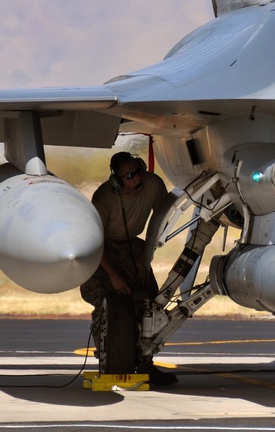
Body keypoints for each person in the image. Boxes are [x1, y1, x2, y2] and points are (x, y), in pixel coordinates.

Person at [79, 151, 177, 385]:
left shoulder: (152, 184)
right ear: (117, 180)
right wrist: (113, 275)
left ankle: (145, 363)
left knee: (149, 303)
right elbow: (95, 240)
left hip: (134, 247)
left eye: (139, 171)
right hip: (103, 250)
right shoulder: (104, 198)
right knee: (107, 302)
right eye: (130, 176)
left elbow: (159, 221)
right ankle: (110, 358)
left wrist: (145, 257)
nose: (137, 180)